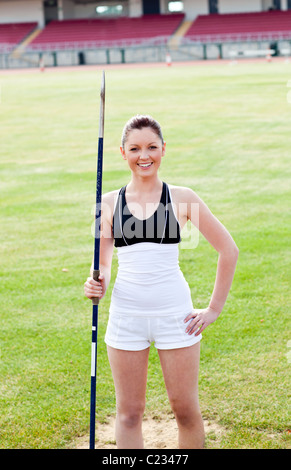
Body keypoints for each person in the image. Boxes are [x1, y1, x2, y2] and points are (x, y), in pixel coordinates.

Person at [84, 115, 239, 449]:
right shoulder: (107, 204)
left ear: (164, 149)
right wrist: (96, 283)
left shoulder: (183, 198)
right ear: (122, 152)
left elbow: (228, 250)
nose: (144, 155)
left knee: (184, 410)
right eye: (135, 148)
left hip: (175, 316)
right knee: (129, 413)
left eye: (152, 147)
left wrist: (213, 309)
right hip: (126, 318)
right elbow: (104, 264)